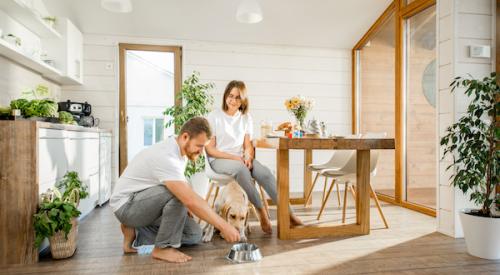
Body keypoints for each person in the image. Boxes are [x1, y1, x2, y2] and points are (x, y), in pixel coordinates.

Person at [110, 117, 240, 263]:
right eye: (199, 145)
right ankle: (163, 248)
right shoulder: (167, 156)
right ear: (185, 137)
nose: (202, 151)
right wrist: (224, 226)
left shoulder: (178, 151)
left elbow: (183, 188)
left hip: (143, 202)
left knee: (194, 234)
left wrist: (185, 208)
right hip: (127, 205)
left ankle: (137, 230)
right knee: (180, 196)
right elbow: (189, 199)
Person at [206, 81, 303, 234]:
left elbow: (247, 145)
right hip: (219, 160)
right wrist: (236, 158)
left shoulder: (245, 118)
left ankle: (289, 213)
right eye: (230, 96)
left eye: (238, 97)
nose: (233, 100)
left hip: (240, 159)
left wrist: (248, 156)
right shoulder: (214, 116)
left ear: (243, 100)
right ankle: (261, 211)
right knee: (241, 169)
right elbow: (210, 149)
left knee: (264, 173)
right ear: (225, 96)